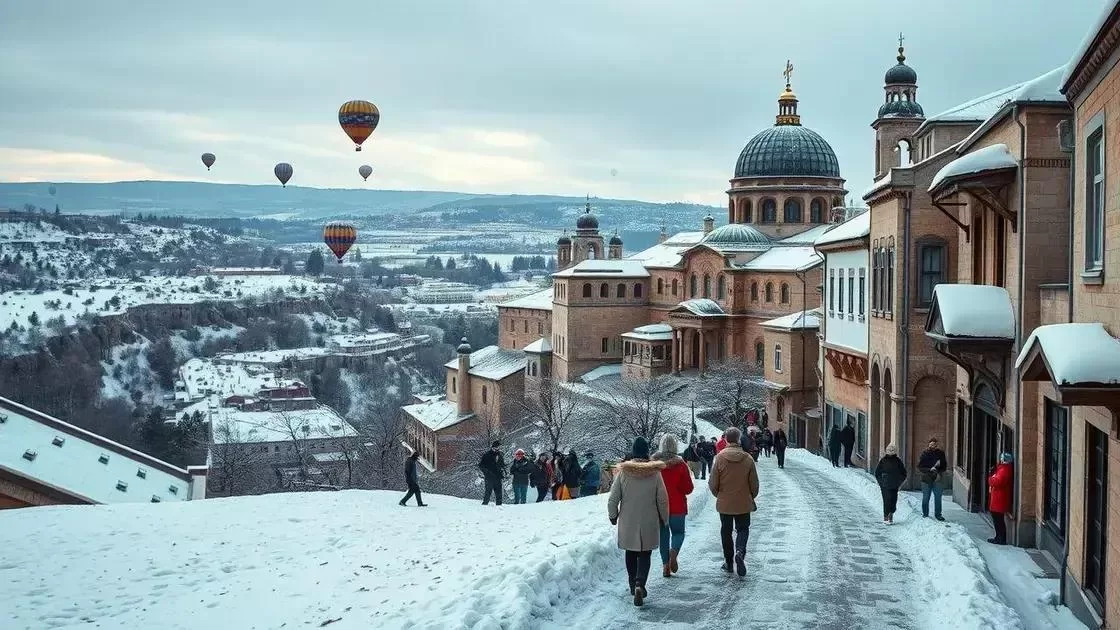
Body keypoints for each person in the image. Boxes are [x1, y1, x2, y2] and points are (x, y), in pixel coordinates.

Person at [608, 436, 669, 607]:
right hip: (649, 519)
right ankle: (640, 584)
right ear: (647, 452)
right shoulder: (655, 473)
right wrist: (664, 518)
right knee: (645, 553)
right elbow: (662, 499)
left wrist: (613, 516)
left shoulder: (623, 473)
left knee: (631, 552)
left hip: (628, 519)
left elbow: (613, 498)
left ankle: (631, 583)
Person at [709, 427, 760, 577]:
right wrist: (751, 496)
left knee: (726, 531)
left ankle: (729, 562)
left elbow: (713, 483)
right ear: (738, 440)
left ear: (725, 440)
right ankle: (740, 551)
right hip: (743, 502)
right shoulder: (747, 458)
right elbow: (754, 484)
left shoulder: (719, 458)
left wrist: (719, 495)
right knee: (743, 529)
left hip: (725, 502)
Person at [653, 434, 694, 578]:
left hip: (659, 507)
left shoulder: (654, 464)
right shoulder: (681, 464)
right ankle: (674, 552)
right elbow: (688, 488)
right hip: (677, 506)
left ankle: (665, 565)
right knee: (678, 533)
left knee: (663, 535)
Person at [874, 444, 907, 524]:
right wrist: (881, 482)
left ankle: (891, 513)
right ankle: (886, 517)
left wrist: (899, 483)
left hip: (895, 485)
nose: (890, 451)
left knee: (893, 500)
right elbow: (877, 473)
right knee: (886, 500)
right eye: (889, 450)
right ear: (886, 451)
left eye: (892, 450)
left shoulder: (898, 461)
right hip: (885, 485)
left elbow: (904, 473)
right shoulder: (883, 460)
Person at [918, 437, 948, 520]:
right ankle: (925, 514)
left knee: (938, 498)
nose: (932, 446)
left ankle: (938, 515)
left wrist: (938, 471)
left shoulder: (941, 454)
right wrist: (929, 469)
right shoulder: (924, 454)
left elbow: (944, 467)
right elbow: (920, 467)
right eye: (931, 444)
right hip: (926, 478)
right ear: (928, 444)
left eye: (934, 445)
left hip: (937, 478)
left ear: (936, 445)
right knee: (926, 497)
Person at [988, 453, 1014, 544]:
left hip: (999, 499)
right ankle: (998, 537)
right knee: (998, 520)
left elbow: (998, 481)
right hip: (998, 498)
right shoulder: (1003, 469)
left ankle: (1000, 538)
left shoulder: (1004, 470)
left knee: (998, 520)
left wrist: (990, 479)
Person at [478, 440, 505, 506]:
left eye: (498, 447)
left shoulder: (500, 455)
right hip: (489, 477)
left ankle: (499, 507)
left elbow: (502, 465)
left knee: (499, 494)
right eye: (496, 447)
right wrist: (487, 472)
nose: (497, 449)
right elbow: (481, 466)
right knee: (488, 493)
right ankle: (484, 506)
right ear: (493, 447)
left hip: (498, 477)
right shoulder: (487, 455)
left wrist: (503, 471)